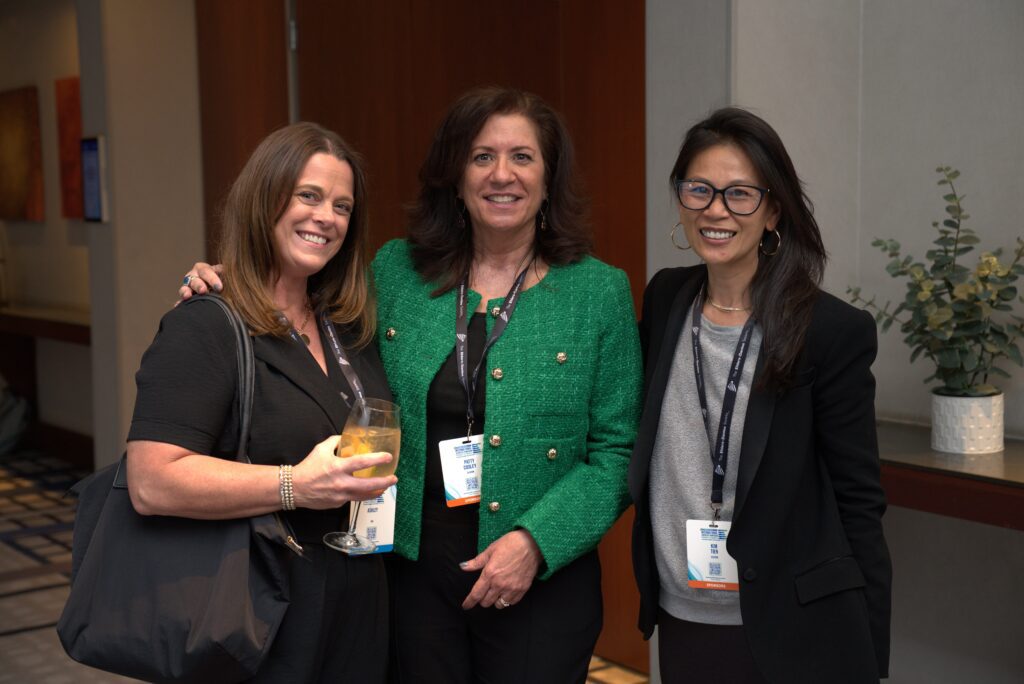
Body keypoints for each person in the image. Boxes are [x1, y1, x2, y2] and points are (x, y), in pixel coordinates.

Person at [182, 87, 643, 683]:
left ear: (549, 178)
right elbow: (296, 306)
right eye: (481, 156)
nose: (502, 174)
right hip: (408, 573)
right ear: (456, 177)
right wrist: (224, 281)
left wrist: (536, 542)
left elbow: (617, 451)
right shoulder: (396, 271)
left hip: (540, 581)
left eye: (522, 157)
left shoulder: (598, 292)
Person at [629, 108, 892, 683]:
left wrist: (871, 651)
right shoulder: (666, 298)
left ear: (773, 211)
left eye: (740, 194)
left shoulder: (829, 330)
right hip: (683, 613)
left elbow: (858, 501)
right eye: (699, 189)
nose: (716, 209)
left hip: (794, 623)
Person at [129, 122, 396, 682]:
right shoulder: (205, 323)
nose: (326, 217)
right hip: (256, 608)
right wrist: (294, 484)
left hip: (356, 602)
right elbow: (151, 482)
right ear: (263, 199)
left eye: (342, 206)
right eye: (308, 196)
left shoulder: (348, 325)